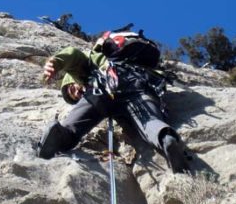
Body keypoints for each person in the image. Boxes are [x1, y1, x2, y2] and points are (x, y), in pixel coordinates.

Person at [36, 30, 190, 173]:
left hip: (105, 87)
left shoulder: (87, 64)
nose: (77, 94)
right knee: (150, 121)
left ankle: (60, 138)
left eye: (72, 89)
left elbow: (73, 54)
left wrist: (55, 63)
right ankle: (164, 138)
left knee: (80, 117)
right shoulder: (125, 60)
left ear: (72, 78)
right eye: (75, 98)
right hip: (141, 83)